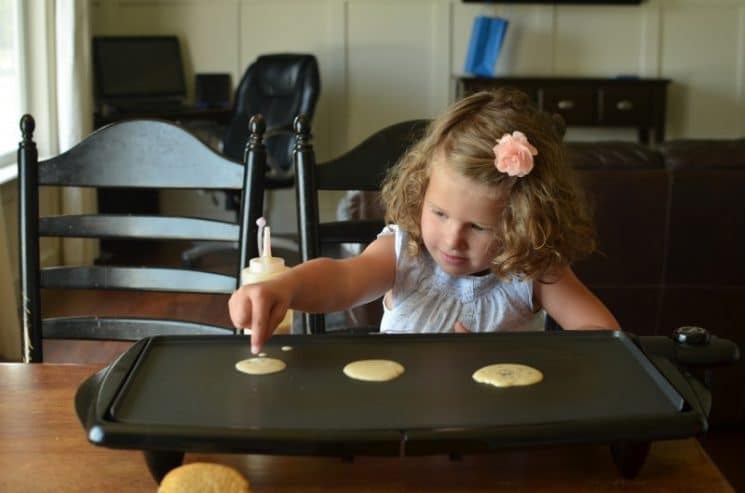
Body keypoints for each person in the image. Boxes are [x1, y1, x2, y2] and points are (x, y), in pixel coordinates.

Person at [229, 88, 620, 354]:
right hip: (398, 424)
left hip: (496, 438)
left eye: (479, 227)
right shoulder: (406, 249)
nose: (452, 239)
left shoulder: (533, 270)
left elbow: (604, 337)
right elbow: (343, 280)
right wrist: (288, 286)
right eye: (439, 213)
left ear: (524, 223)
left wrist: (520, 356)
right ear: (421, 193)